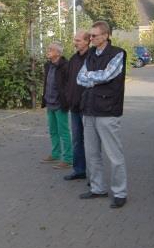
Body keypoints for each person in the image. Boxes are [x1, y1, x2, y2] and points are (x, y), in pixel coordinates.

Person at [77, 21, 129, 208]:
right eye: (90, 35)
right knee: (92, 153)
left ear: (106, 35)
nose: (91, 39)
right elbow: (79, 78)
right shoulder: (90, 54)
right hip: (89, 109)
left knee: (114, 154)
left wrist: (91, 77)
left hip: (108, 110)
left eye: (94, 36)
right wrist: (94, 77)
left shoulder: (118, 53)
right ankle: (97, 188)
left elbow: (108, 75)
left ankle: (120, 192)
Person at [41, 42, 73, 170]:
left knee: (63, 132)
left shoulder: (66, 66)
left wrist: (66, 101)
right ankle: (55, 154)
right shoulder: (48, 65)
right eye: (48, 49)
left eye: (51, 49)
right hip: (49, 103)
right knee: (53, 131)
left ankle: (68, 159)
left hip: (60, 104)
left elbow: (68, 86)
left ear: (58, 53)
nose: (48, 51)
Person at [63, 30, 90, 180]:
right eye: (75, 40)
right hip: (74, 106)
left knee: (91, 142)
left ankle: (93, 174)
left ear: (87, 41)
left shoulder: (92, 58)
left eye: (78, 40)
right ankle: (79, 170)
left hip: (87, 107)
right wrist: (68, 97)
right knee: (77, 139)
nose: (75, 42)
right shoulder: (73, 59)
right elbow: (68, 81)